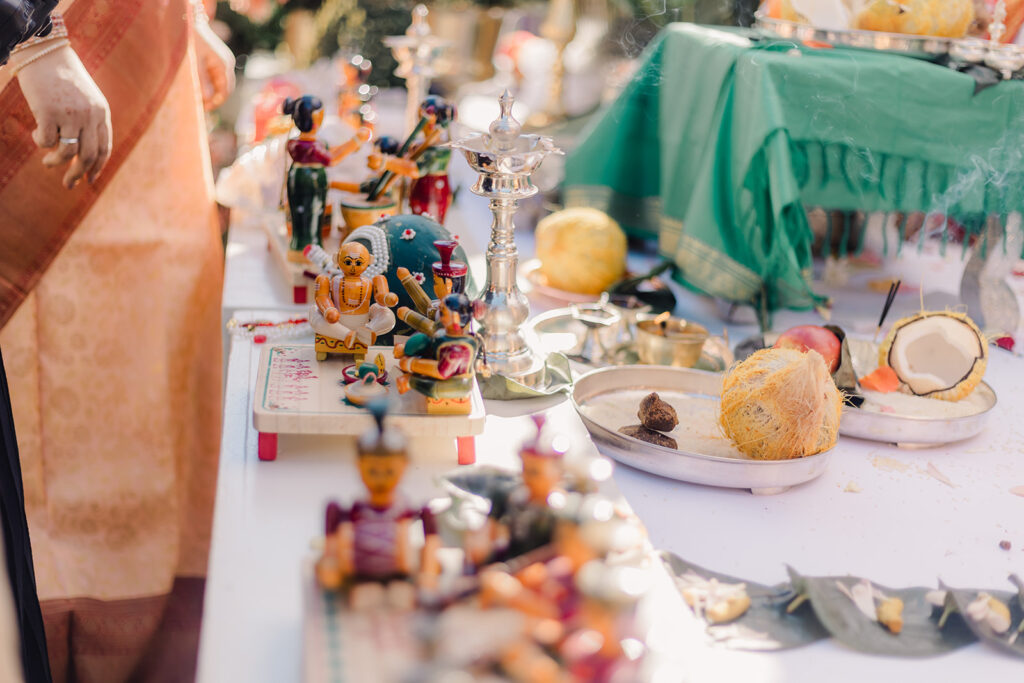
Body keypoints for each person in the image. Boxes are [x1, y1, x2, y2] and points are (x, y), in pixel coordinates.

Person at [0, 0, 234, 680]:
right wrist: (34, 39)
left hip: (142, 80)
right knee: (61, 420)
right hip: (50, 64)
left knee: (158, 363)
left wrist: (182, 20)